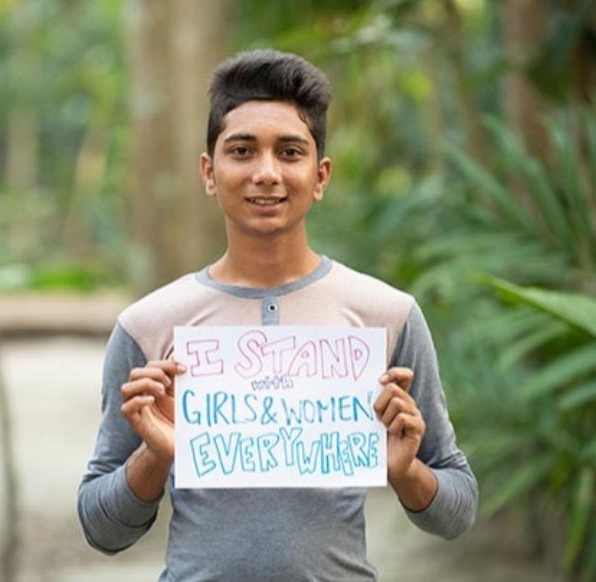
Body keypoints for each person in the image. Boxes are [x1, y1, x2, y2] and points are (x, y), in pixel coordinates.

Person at [77, 49, 477, 581]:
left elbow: (458, 509)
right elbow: (101, 529)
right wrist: (156, 455)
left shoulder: (388, 315)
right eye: (242, 150)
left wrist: (408, 474)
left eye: (290, 152)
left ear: (320, 175)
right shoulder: (148, 325)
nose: (266, 173)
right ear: (209, 172)